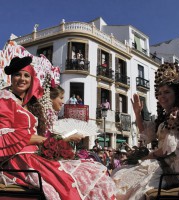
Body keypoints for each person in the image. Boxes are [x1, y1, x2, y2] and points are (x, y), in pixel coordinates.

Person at [0, 56, 116, 200]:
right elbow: (4, 136)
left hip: (34, 155)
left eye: (26, 75)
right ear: (11, 77)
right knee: (70, 181)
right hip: (19, 159)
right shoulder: (5, 99)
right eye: (17, 74)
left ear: (32, 79)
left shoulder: (25, 104)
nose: (22, 79)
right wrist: (42, 140)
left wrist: (46, 143)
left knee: (92, 169)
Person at [111, 62, 179, 200]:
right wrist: (137, 113)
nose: (162, 96)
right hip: (162, 161)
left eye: (167, 92)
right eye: (159, 93)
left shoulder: (178, 115)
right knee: (119, 175)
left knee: (134, 188)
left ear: (176, 94)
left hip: (176, 166)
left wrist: (146, 157)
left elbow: (167, 149)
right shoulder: (164, 118)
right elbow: (146, 134)